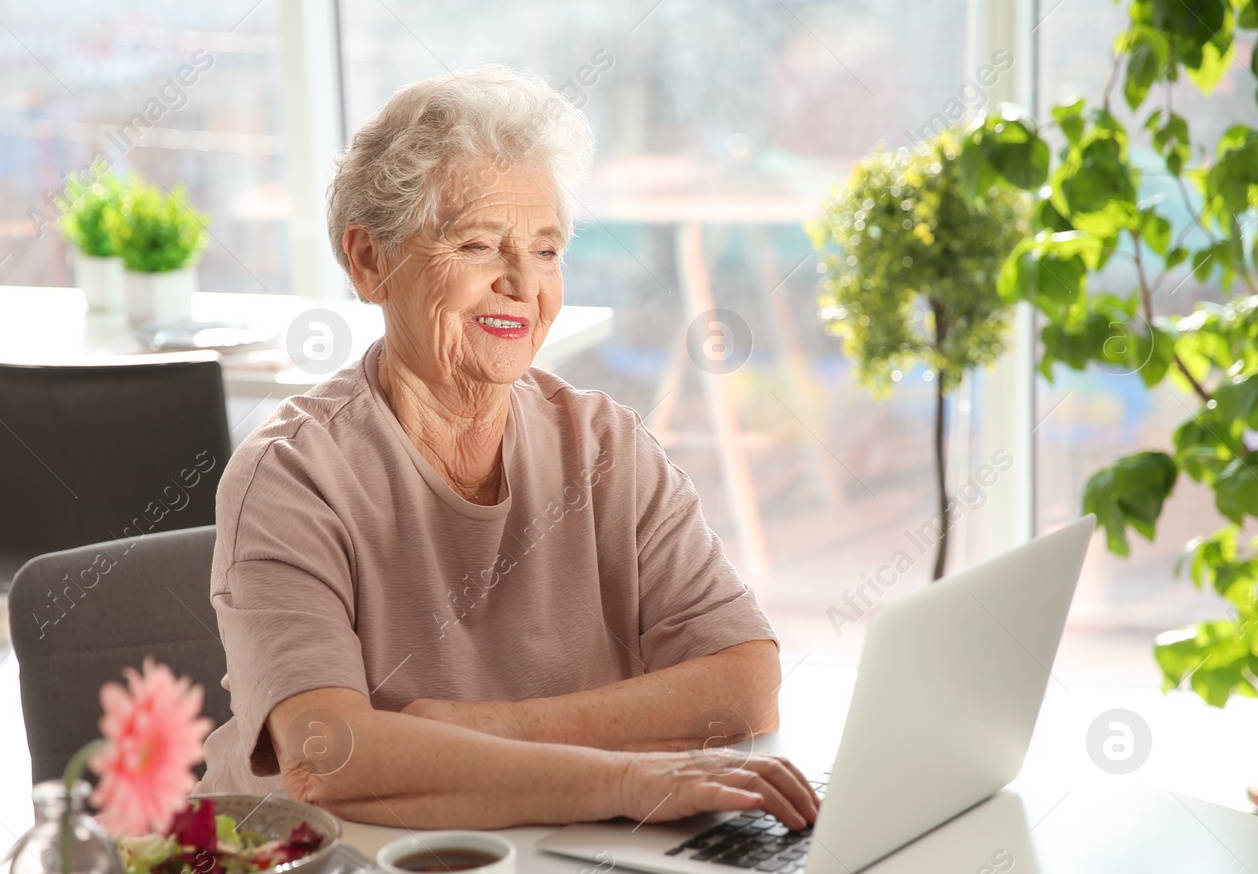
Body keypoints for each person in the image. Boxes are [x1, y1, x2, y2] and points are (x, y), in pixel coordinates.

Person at [199, 65, 819, 832]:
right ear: (369, 262)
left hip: (558, 861)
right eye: (479, 244)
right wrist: (626, 778)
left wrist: (490, 728)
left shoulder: (604, 445)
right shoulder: (290, 475)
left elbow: (744, 684)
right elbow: (329, 753)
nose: (524, 284)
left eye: (547, 250)